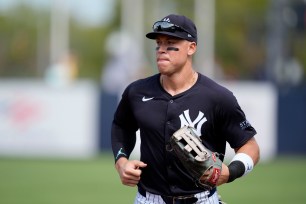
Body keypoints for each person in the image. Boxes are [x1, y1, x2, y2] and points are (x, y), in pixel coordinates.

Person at [111, 14, 260, 204]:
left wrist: (231, 172)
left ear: (191, 47)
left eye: (170, 43)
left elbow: (250, 146)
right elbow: (121, 126)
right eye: (159, 43)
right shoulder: (136, 92)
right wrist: (121, 162)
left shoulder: (217, 97)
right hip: (148, 199)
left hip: (202, 199)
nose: (161, 50)